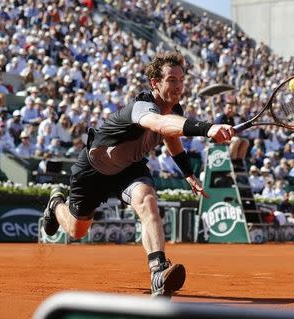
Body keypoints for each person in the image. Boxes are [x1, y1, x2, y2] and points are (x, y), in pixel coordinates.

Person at [42, 51, 234, 297]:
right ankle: (57, 203)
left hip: (129, 169)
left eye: (181, 80)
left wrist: (188, 173)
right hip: (93, 169)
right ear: (155, 83)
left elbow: (172, 137)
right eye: (171, 80)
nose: (178, 86)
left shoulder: (174, 109)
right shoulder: (142, 106)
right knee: (76, 230)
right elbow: (161, 125)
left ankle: (158, 272)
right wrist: (209, 129)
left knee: (148, 201)